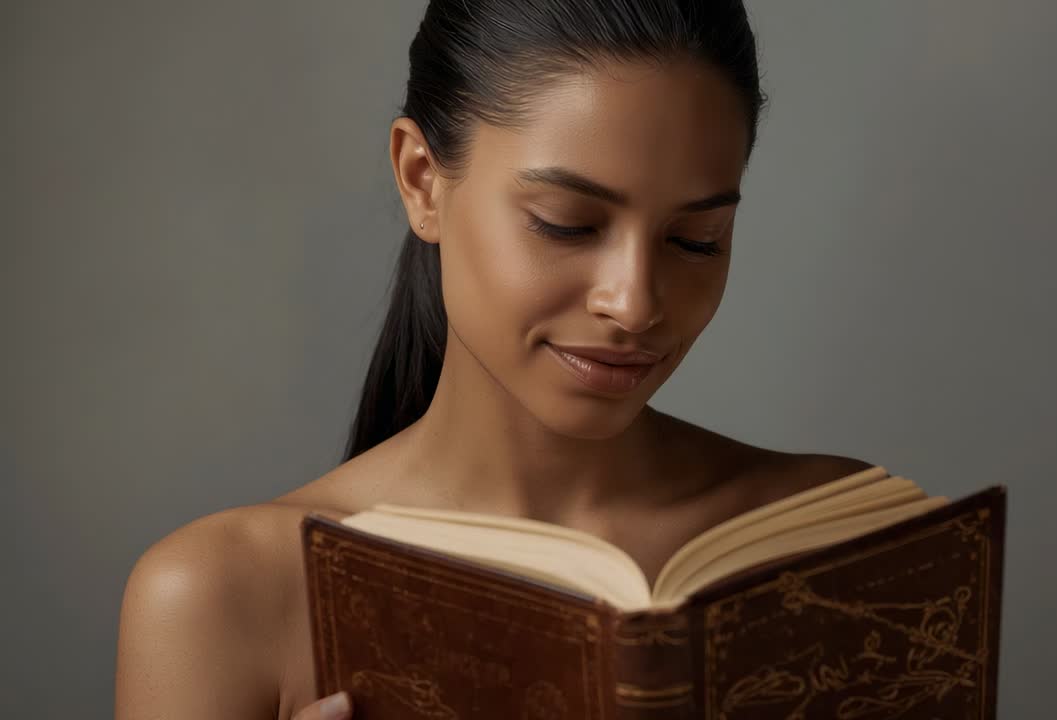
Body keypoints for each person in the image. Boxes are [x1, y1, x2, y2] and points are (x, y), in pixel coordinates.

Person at [114, 1, 872, 717]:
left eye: (695, 240)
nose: (635, 304)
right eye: (566, 225)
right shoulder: (222, 598)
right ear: (421, 180)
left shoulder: (835, 540)